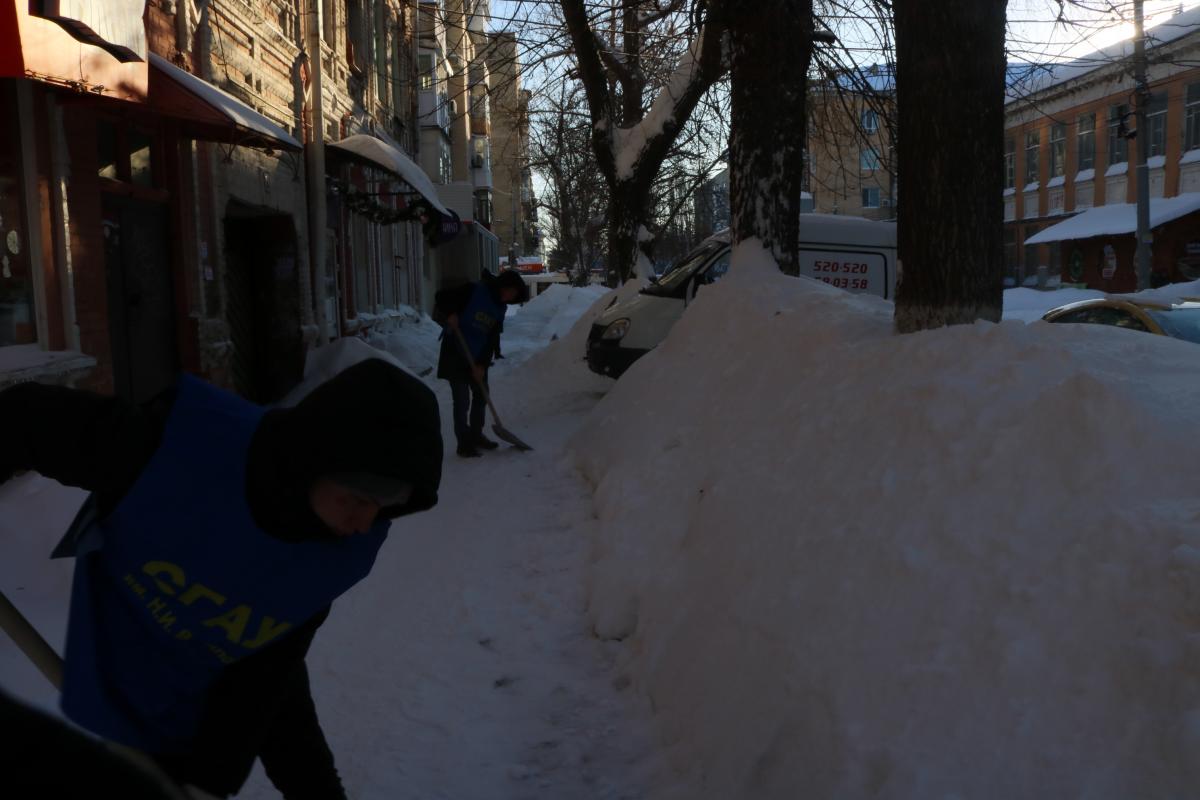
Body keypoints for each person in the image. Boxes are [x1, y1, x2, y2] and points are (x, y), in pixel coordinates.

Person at [0, 358, 442, 798]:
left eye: (383, 508)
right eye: (358, 499)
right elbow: (22, 419)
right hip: (131, 640)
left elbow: (265, 684)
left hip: (217, 662)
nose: (366, 524)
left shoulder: (328, 551)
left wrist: (210, 782)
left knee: (283, 737)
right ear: (313, 461)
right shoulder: (175, 451)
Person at [434, 269, 529, 458]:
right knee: (462, 400)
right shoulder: (474, 290)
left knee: (481, 395)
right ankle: (464, 442)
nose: (511, 297)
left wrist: (482, 365)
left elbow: (492, 338)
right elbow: (441, 297)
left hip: (477, 354)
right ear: (504, 286)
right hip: (456, 349)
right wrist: (450, 313)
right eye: (511, 292)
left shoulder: (500, 308)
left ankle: (476, 435)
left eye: (514, 296)